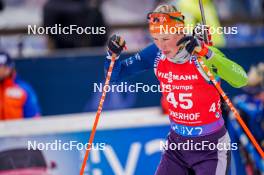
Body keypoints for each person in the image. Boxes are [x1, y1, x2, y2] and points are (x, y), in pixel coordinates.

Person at [104, 4, 248, 175]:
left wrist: (208, 54)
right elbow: (115, 75)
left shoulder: (200, 52)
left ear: (180, 32)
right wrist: (112, 54)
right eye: (155, 39)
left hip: (211, 147)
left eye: (165, 39)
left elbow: (241, 79)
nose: (161, 46)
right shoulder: (155, 53)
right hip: (177, 146)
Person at [228, 62, 264, 175]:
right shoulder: (242, 104)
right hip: (250, 150)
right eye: (255, 93)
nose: (257, 97)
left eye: (258, 93)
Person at [0, 51, 40, 120]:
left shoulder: (23, 89)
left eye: (3, 67)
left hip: (17, 129)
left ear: (10, 68)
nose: (1, 71)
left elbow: (33, 116)